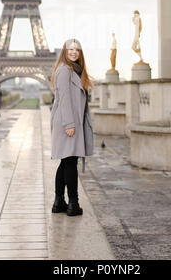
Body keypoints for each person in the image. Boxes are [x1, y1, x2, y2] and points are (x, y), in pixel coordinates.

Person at [50, 38, 94, 217]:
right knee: (70, 162)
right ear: (64, 52)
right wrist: (69, 124)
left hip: (72, 122)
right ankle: (73, 203)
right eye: (70, 49)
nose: (74, 52)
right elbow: (65, 99)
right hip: (67, 123)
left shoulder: (75, 71)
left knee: (66, 161)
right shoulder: (64, 71)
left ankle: (59, 201)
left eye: (77, 49)